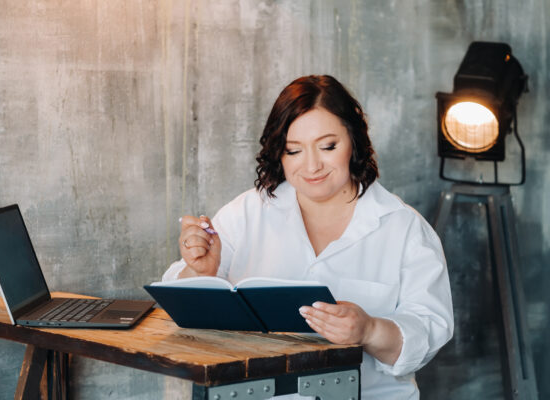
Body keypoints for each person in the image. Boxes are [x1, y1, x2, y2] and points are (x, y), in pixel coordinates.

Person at [162, 75, 454, 399]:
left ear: (354, 140)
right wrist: (200, 272)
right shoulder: (248, 212)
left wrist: (369, 329)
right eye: (294, 150)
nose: (312, 165)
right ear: (279, 154)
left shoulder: (404, 229)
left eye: (328, 146)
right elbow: (179, 312)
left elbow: (427, 332)